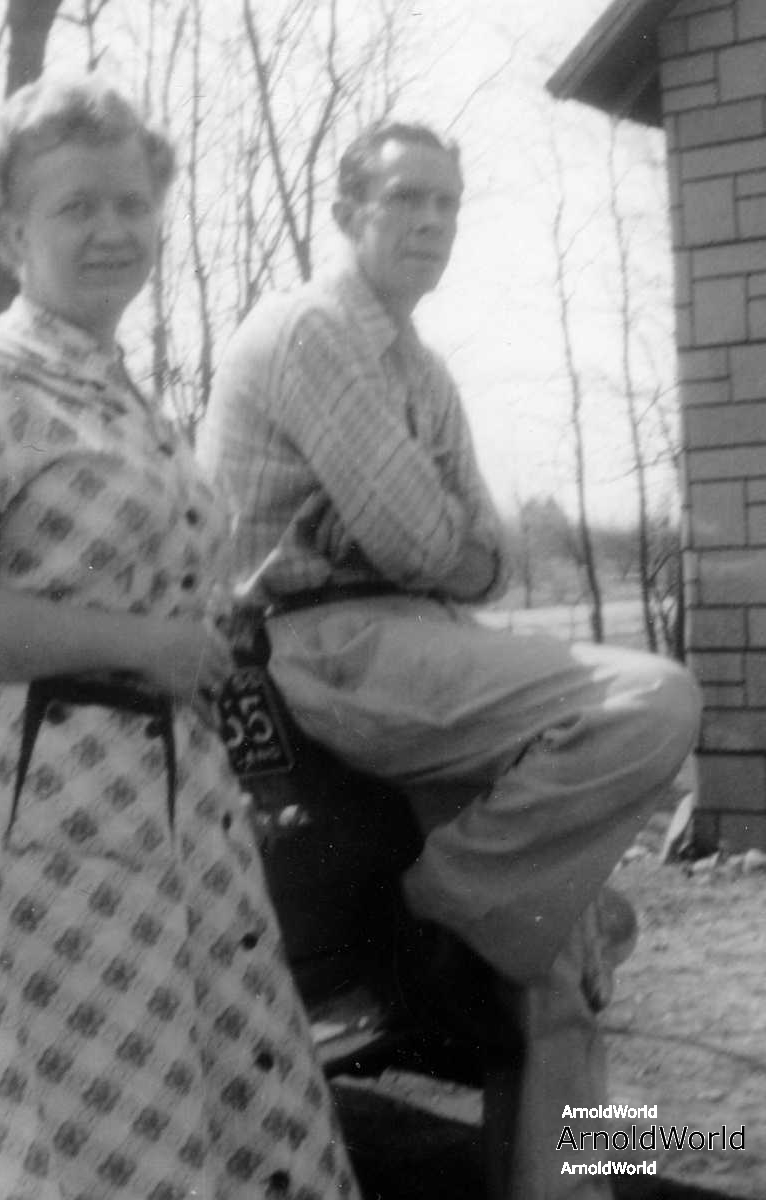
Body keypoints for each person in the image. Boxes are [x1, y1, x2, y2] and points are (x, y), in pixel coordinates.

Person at [0, 74, 361, 1200]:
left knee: (174, 1110)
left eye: (132, 203)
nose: (114, 229)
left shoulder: (117, 390)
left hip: (157, 802)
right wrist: (143, 645)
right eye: (76, 207)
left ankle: (593, 1149)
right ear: (9, 232)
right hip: (27, 808)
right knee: (85, 1130)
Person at [197, 120, 702, 1199]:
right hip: (321, 644)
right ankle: (449, 911)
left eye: (448, 203)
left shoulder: (419, 367)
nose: (432, 222)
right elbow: (431, 544)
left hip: (419, 638)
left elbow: (487, 560)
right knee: (655, 697)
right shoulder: (311, 331)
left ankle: (563, 1173)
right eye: (406, 199)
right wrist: (437, 540)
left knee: (559, 961)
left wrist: (440, 540)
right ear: (348, 213)